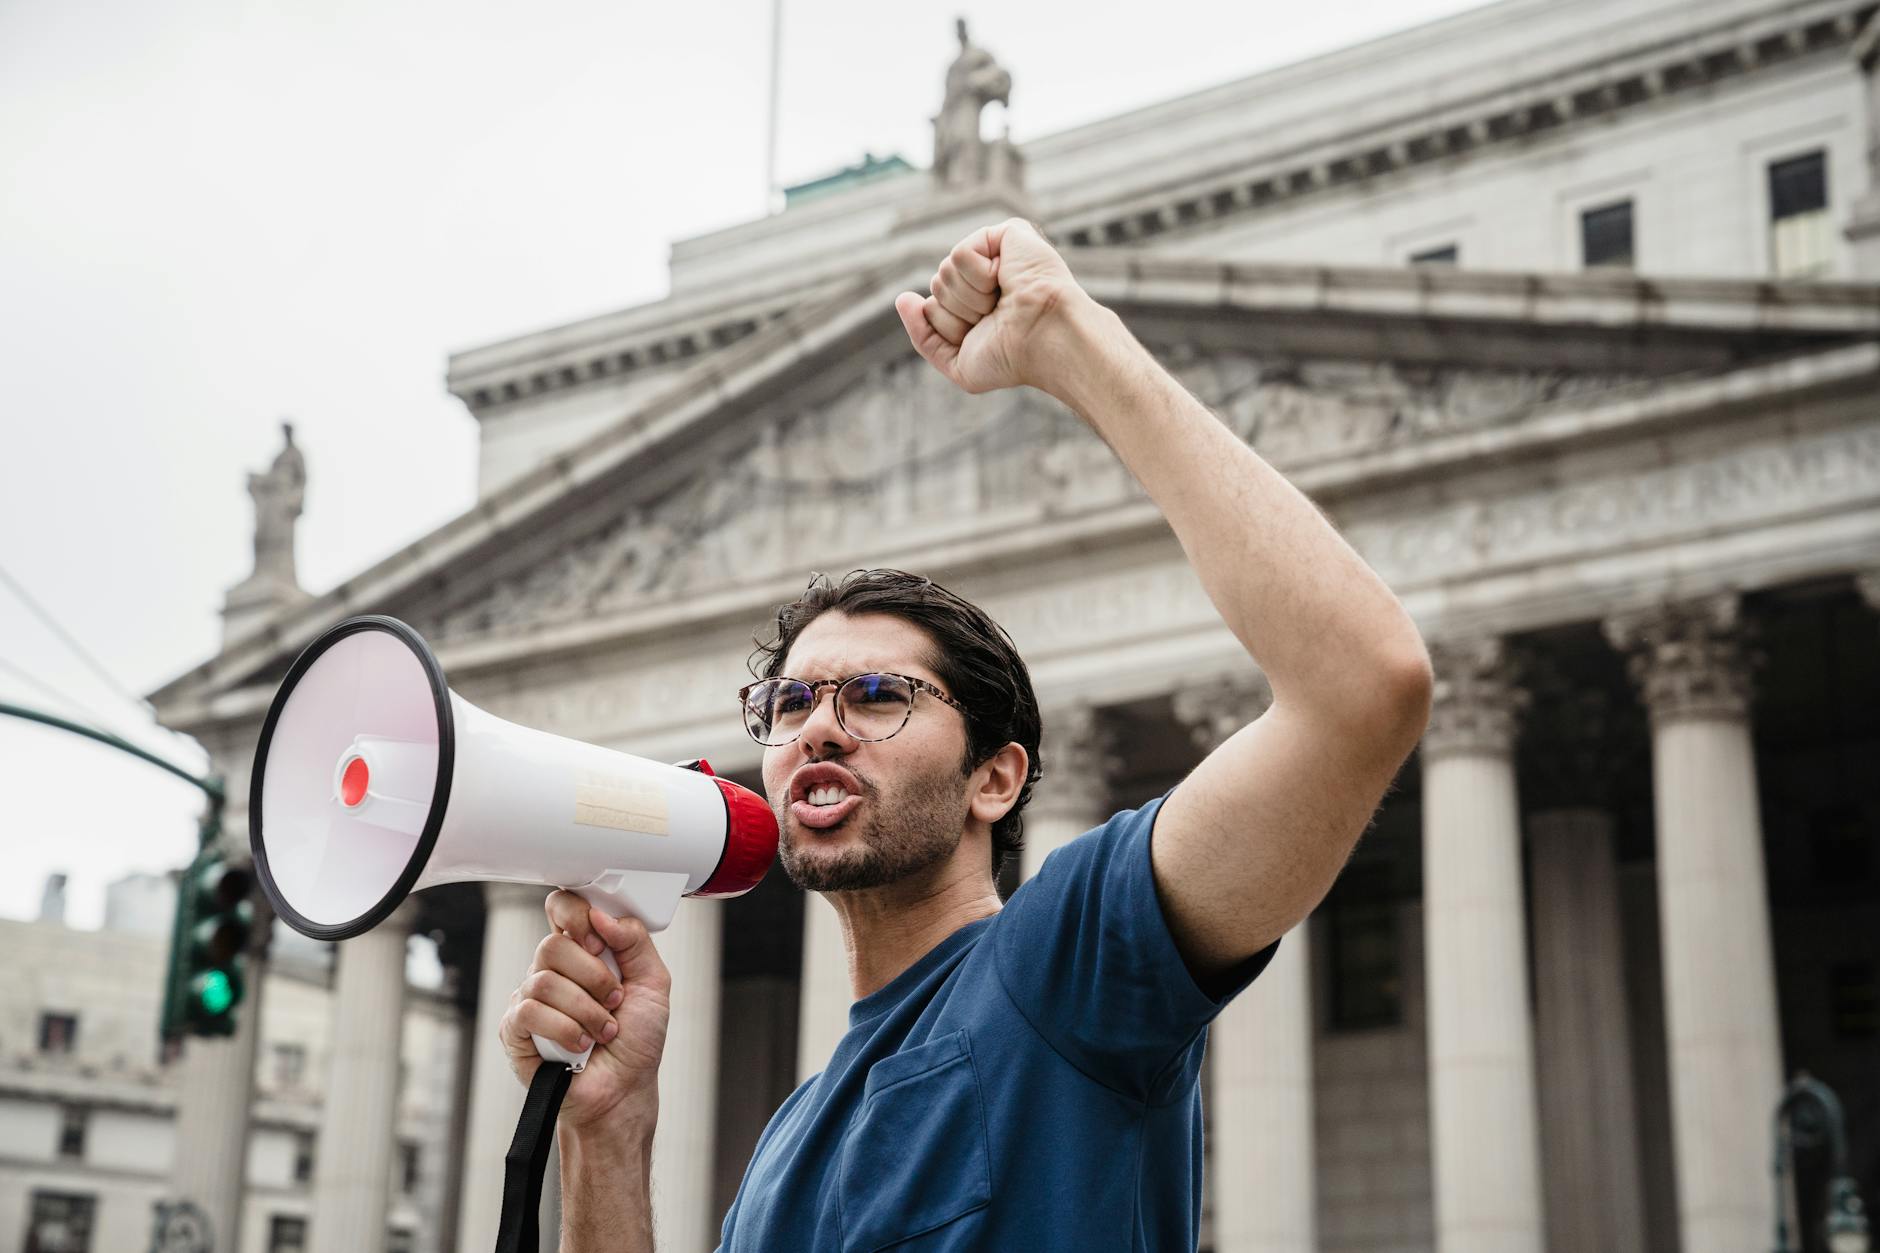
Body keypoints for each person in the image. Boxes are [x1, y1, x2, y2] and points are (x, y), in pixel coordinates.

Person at [498, 219, 1434, 1251]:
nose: (818, 728)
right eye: (789, 702)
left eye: (873, 694)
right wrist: (609, 1128)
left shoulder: (1061, 964)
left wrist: (1067, 337)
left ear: (995, 778)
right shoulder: (784, 1146)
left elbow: (1362, 686)